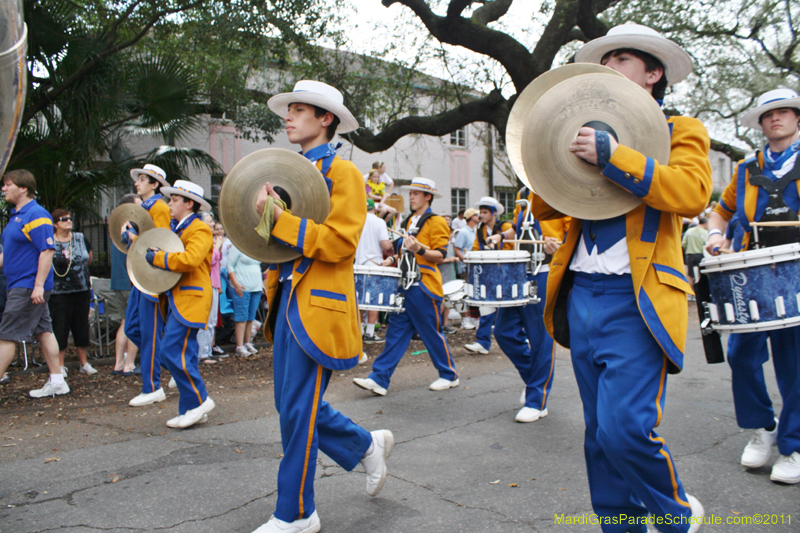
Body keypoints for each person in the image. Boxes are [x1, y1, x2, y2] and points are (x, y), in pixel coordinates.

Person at [531, 23, 711, 531]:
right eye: (604, 61)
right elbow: (545, 202)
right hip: (580, 293)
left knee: (626, 429)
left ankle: (675, 515)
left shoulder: (681, 129)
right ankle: (621, 525)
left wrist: (615, 157)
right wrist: (553, 155)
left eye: (622, 60)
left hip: (638, 301)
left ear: (653, 73)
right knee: (598, 433)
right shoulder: (582, 127)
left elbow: (692, 192)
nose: (609, 69)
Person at [253, 79, 392, 533]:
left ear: (325, 118)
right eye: (288, 110)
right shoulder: (285, 172)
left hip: (321, 306)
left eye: (298, 110)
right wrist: (261, 219)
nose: (288, 117)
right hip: (286, 301)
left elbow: (339, 243)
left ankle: (296, 513)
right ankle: (365, 445)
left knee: (297, 409)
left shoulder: (345, 173)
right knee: (291, 405)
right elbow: (271, 243)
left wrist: (278, 219)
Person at [705, 88, 800, 485]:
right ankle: (763, 427)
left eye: (783, 112)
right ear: (760, 124)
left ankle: (793, 447)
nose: (775, 119)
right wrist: (714, 237)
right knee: (742, 354)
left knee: (794, 363)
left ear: (797, 118)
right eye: (767, 114)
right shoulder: (746, 169)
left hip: (795, 273)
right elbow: (720, 214)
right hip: (751, 272)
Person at [354, 177, 459, 395]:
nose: (410, 197)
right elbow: (403, 251)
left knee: (431, 333)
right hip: (404, 285)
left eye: (416, 194)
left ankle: (449, 374)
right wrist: (391, 260)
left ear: (427, 197)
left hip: (424, 286)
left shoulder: (436, 222)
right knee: (395, 333)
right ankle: (379, 379)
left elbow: (440, 255)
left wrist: (419, 249)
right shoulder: (410, 220)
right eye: (410, 193)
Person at [487, 188, 570, 423]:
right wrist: (501, 236)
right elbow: (519, 228)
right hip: (519, 270)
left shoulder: (560, 188)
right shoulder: (523, 192)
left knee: (541, 337)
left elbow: (574, 234)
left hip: (546, 269)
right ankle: (535, 380)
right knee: (503, 331)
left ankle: (537, 400)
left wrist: (560, 245)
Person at [145, 180, 216, 429]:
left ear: (188, 203)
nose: (169, 204)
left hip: (191, 298)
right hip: (179, 298)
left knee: (170, 351)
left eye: (174, 199)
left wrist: (159, 257)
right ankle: (191, 408)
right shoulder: (178, 228)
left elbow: (189, 260)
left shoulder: (200, 229)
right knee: (181, 353)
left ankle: (199, 400)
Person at [0, 170, 67, 398]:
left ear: (23, 188)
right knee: (44, 331)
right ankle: (58, 381)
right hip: (22, 285)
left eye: (8, 184)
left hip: (28, 286)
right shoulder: (15, 217)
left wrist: (38, 285)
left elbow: (47, 251)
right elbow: (9, 254)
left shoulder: (37, 214)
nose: (3, 188)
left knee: (7, 335)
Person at [122, 164, 171, 407]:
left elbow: (159, 243)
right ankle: (176, 365)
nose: (137, 183)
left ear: (155, 185)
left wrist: (133, 238)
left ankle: (152, 387)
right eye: (138, 179)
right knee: (132, 328)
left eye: (143, 179)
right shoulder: (143, 207)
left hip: (151, 278)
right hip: (139, 276)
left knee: (150, 333)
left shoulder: (159, 207)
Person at [49, 208, 96, 376]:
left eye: (70, 218)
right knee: (60, 327)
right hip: (58, 292)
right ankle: (60, 365)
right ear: (55, 223)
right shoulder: (50, 241)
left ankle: (84, 362)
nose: (68, 221)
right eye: (63, 219)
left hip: (81, 290)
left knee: (81, 325)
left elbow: (88, 258)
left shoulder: (80, 238)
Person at [464, 196, 513, 355]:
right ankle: (483, 342)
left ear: (493, 213)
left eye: (485, 212)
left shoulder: (506, 227)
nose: (481, 215)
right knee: (485, 306)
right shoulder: (481, 231)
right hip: (489, 273)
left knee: (511, 307)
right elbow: (476, 249)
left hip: (507, 272)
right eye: (480, 212)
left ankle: (520, 337)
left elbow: (514, 246)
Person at [110, 194, 140, 376]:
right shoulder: (131, 228)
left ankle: (118, 363)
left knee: (124, 322)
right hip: (130, 282)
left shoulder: (116, 226)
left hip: (118, 281)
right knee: (135, 324)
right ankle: (129, 363)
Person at [355, 198, 392, 343]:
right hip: (373, 265)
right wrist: (390, 240)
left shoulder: (356, 221)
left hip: (357, 265)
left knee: (358, 300)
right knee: (373, 300)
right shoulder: (379, 222)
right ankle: (370, 333)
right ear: (375, 209)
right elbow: (385, 245)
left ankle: (358, 331)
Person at [227, 243, 263, 357]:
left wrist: (262, 284)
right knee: (241, 317)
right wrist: (236, 284)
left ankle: (247, 343)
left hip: (256, 287)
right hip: (242, 286)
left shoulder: (256, 247)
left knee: (250, 317)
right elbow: (229, 265)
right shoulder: (238, 246)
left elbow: (259, 266)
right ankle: (239, 346)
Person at [197, 211, 222, 363]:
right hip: (206, 284)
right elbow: (208, 261)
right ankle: (202, 354)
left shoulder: (211, 240)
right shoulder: (202, 240)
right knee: (205, 320)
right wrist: (217, 247)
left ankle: (207, 350)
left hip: (214, 285)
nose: (212, 224)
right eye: (209, 221)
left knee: (212, 320)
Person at [453, 207, 479, 329]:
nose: (479, 216)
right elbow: (456, 248)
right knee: (464, 294)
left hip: (474, 267)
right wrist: (465, 260)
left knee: (474, 293)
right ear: (471, 217)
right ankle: (465, 319)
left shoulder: (475, 231)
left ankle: (473, 318)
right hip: (465, 268)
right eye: (476, 214)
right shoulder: (463, 232)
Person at [681, 216, 708, 297]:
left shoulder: (689, 231)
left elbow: (683, 243)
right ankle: (700, 294)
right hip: (701, 255)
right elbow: (706, 245)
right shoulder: (705, 232)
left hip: (690, 255)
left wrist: (688, 250)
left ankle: (689, 294)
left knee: (690, 275)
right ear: (706, 223)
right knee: (702, 275)